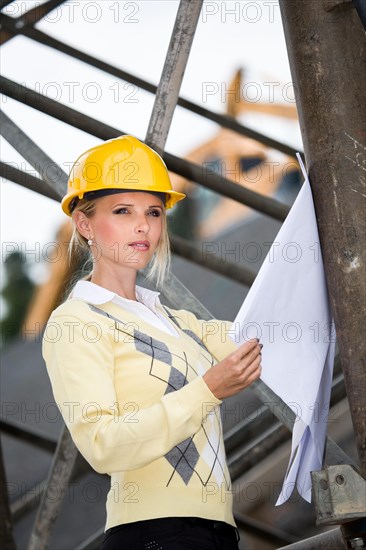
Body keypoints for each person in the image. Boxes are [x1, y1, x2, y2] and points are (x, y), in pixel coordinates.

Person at [42, 136, 262, 550]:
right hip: (152, 534)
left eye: (153, 212)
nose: (143, 225)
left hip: (217, 532)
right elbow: (102, 445)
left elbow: (261, 333)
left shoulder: (179, 324)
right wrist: (207, 390)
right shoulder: (75, 322)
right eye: (123, 211)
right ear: (84, 223)